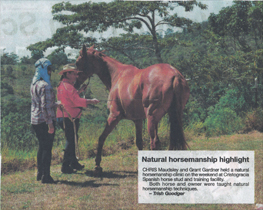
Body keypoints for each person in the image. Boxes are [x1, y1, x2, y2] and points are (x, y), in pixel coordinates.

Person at [56, 64, 99, 174]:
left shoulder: (63, 85)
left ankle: (73, 162)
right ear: (67, 74)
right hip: (69, 117)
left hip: (65, 116)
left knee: (73, 139)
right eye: (74, 73)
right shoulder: (68, 86)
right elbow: (76, 101)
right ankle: (65, 166)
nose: (76, 76)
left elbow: (70, 98)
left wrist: (79, 92)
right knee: (71, 141)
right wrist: (91, 101)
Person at [31, 58, 56, 184]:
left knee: (41, 146)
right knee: (47, 148)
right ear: (45, 69)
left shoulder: (34, 84)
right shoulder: (45, 86)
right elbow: (45, 106)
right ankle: (46, 176)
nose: (51, 72)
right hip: (44, 121)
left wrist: (56, 104)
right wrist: (50, 124)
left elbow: (42, 103)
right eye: (49, 69)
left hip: (35, 120)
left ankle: (40, 173)